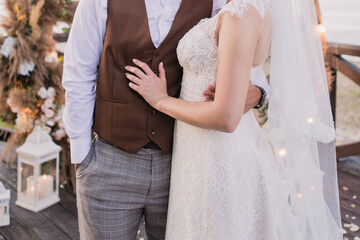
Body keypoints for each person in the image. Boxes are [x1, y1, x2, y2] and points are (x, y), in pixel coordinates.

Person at [126, 0, 343, 239]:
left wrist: (160, 101)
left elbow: (226, 118)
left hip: (216, 157)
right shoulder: (252, 9)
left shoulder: (240, 13)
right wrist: (256, 91)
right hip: (202, 152)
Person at [62, 0, 270, 239]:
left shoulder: (216, 3)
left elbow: (245, 56)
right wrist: (82, 157)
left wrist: (260, 93)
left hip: (181, 166)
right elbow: (78, 74)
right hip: (110, 163)